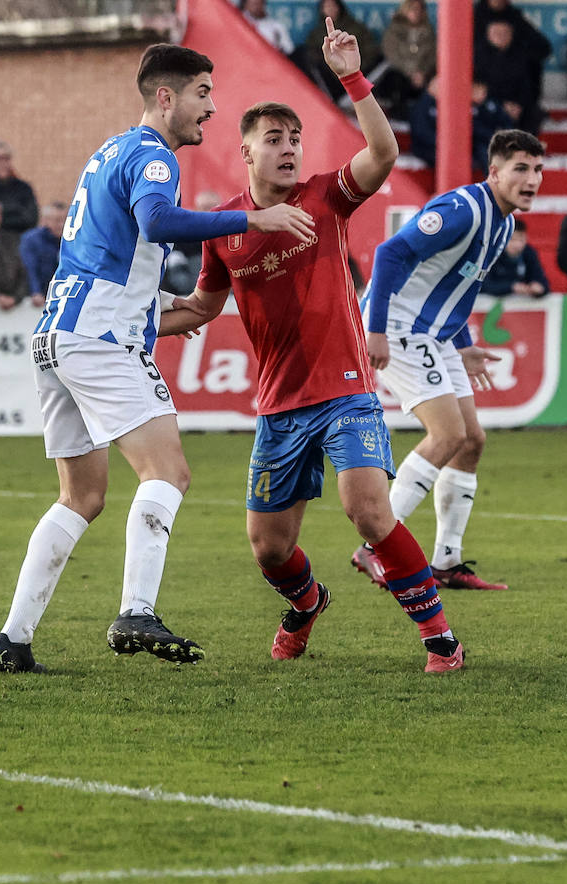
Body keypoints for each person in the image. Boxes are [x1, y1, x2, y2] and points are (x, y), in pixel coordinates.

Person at [0, 43, 315, 674]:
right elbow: (160, 222)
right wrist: (254, 220)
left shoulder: (108, 153)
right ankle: (136, 610)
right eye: (202, 94)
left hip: (62, 332)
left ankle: (14, 640)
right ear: (165, 98)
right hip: (100, 339)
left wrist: (175, 310)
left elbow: (115, 264)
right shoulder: (153, 157)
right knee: (168, 472)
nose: (212, 109)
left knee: (80, 497)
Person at [167, 29, 471, 674]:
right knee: (269, 549)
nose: (287, 150)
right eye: (273, 141)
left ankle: (440, 638)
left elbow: (383, 154)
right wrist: (134, 322)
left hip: (347, 391)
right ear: (244, 151)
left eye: (294, 140)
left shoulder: (325, 199)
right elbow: (200, 306)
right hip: (280, 406)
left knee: (367, 511)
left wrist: (353, 79)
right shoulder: (226, 228)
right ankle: (306, 605)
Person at [350, 130, 545, 598]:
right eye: (520, 168)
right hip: (396, 327)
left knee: (471, 440)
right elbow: (390, 252)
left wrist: (465, 343)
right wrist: (375, 330)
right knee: (448, 434)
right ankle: (376, 545)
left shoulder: (502, 222)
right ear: (494, 172)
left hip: (434, 335)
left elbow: (456, 290)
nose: (532, 179)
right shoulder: (464, 210)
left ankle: (445, 563)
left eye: (538, 170)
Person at [474, 18, 543, 136]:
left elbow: (528, 86)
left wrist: (519, 104)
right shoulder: (477, 57)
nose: (501, 37)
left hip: (516, 105)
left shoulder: (522, 57)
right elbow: (478, 89)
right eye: (497, 33)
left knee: (533, 113)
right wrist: (501, 105)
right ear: (488, 34)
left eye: (505, 33)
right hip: (488, 103)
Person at [377, 0, 435, 118]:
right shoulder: (394, 30)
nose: (416, 13)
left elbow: (433, 56)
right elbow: (392, 56)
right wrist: (411, 72)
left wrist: (422, 73)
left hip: (423, 76)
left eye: (419, 9)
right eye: (412, 9)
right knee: (395, 79)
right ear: (405, 10)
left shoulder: (429, 31)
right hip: (401, 75)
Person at [482, 218, 549, 298]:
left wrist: (538, 287)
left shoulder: (528, 253)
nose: (517, 245)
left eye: (521, 240)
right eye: (512, 240)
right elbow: (484, 285)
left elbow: (541, 280)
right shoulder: (491, 254)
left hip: (520, 306)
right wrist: (511, 287)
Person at [18, 201, 67, 308]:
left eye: (65, 220)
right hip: (36, 299)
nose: (62, 225)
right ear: (45, 220)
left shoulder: (71, 241)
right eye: (57, 220)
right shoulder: (31, 240)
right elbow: (29, 268)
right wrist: (36, 292)